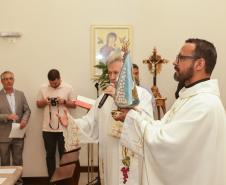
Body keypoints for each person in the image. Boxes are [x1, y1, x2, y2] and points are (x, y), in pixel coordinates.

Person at [113, 38, 226, 185]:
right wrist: (135, 115)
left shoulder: (204, 104)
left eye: (181, 58)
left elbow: (165, 143)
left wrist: (133, 118)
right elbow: (164, 128)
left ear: (199, 64)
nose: (174, 62)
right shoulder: (188, 97)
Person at [58, 51, 154, 185]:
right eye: (110, 73)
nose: (112, 77)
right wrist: (70, 123)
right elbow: (90, 122)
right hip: (109, 155)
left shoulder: (142, 95)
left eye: (116, 72)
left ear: (127, 73)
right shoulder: (103, 98)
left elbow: (147, 124)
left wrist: (118, 97)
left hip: (130, 158)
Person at [36, 69, 76, 180]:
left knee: (64, 156)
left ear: (59, 78)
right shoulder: (43, 87)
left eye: (55, 83)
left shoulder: (68, 87)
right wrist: (45, 101)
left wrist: (64, 102)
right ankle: (52, 179)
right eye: (51, 83)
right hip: (47, 128)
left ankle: (64, 180)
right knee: (50, 155)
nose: (53, 85)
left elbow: (74, 104)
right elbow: (38, 104)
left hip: (64, 127)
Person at [0, 71, 31, 185]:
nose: (9, 81)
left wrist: (24, 120)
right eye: (6, 79)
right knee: (4, 162)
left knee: (18, 161)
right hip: (3, 135)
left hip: (18, 133)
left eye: (11, 78)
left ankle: (18, 182)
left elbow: (27, 110)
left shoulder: (20, 94)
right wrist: (6, 116)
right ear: (1, 81)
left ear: (14, 80)